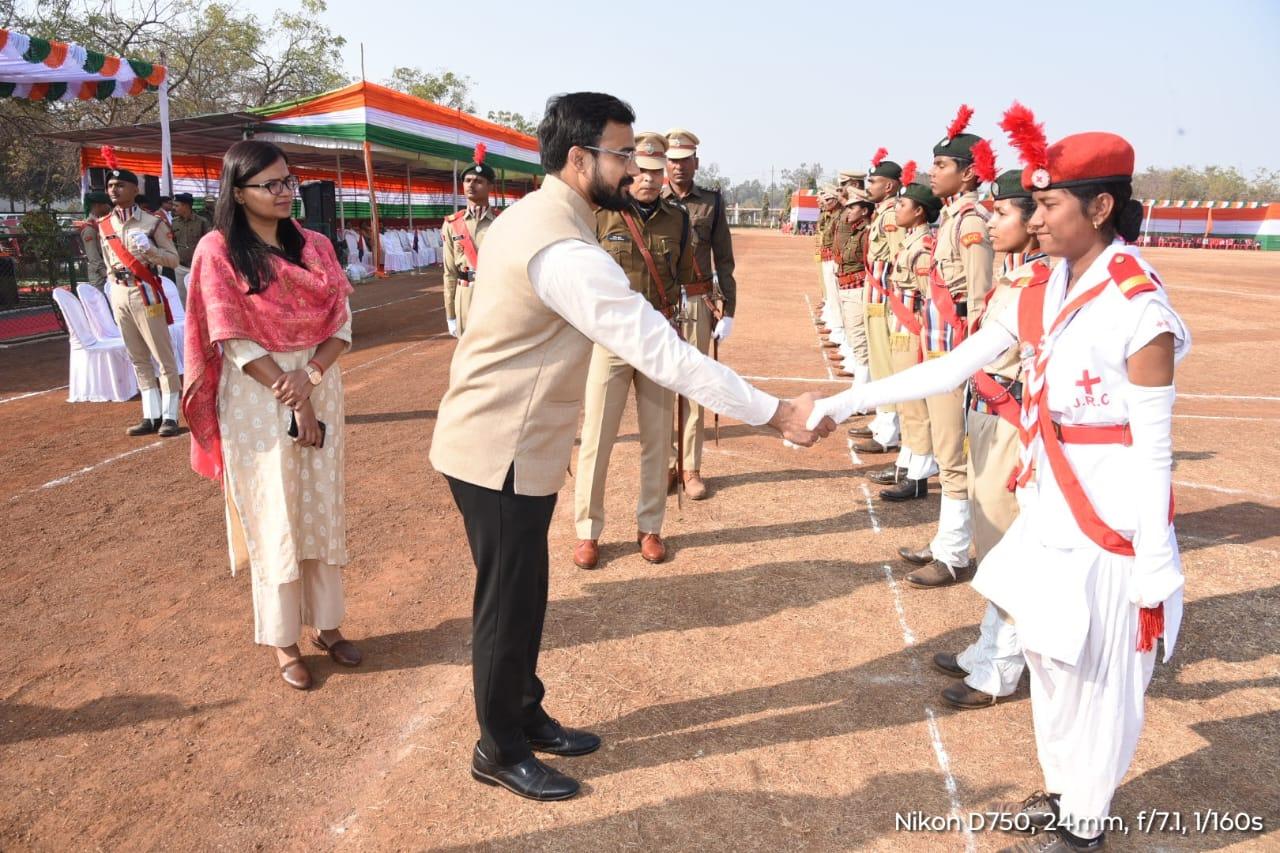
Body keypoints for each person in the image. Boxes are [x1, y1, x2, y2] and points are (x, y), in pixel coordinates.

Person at [429, 92, 833, 802]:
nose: (634, 165)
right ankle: (498, 745)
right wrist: (774, 414)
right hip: (497, 448)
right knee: (507, 599)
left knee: (527, 591)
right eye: (622, 153)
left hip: (516, 442)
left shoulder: (550, 217)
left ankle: (524, 712)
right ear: (580, 158)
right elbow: (659, 350)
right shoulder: (560, 244)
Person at [809, 112, 1189, 853]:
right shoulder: (1040, 285)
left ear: (1100, 206)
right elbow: (953, 365)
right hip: (1047, 500)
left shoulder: (1138, 305)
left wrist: (1154, 558)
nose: (1034, 217)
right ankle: (1063, 791)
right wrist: (843, 400)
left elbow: (1155, 445)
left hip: (1110, 515)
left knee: (1103, 673)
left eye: (1049, 205)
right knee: (1047, 654)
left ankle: (1084, 822)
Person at [182, 139, 361, 692]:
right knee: (275, 509)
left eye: (289, 182)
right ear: (239, 193)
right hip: (258, 396)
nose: (286, 193)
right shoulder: (217, 251)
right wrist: (293, 396)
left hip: (317, 380)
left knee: (319, 502)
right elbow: (230, 336)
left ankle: (328, 625)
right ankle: (284, 641)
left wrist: (309, 381)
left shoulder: (316, 247)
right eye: (272, 185)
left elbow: (342, 323)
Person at [934, 161, 1049, 710]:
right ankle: (988, 647)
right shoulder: (1019, 270)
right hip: (988, 406)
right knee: (991, 537)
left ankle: (1000, 667)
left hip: (1010, 416)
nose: (992, 219)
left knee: (1007, 544)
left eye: (1004, 211)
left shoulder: (1044, 278)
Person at [573, 132, 692, 570]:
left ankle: (650, 526)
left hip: (657, 338)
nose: (648, 179)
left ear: (665, 176)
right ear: (629, 170)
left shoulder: (676, 220)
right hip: (611, 339)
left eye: (657, 172)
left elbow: (681, 278)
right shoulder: (603, 216)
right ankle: (587, 532)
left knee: (657, 441)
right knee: (598, 438)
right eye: (641, 170)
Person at [897, 105, 995, 587]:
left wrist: (971, 362)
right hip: (938, 351)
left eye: (942, 166)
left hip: (956, 355)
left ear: (968, 173)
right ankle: (944, 543)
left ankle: (955, 553)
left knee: (955, 460)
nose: (932, 173)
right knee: (945, 450)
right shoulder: (952, 219)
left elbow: (978, 297)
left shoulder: (972, 220)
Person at [661, 128, 738, 500]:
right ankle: (665, 464)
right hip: (659, 305)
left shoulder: (712, 202)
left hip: (696, 303)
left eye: (684, 160)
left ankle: (691, 467)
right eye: (672, 160)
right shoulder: (648, 198)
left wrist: (730, 310)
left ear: (696, 162)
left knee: (694, 383)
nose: (678, 167)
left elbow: (724, 259)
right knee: (659, 385)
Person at [98, 147, 183, 437]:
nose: (114, 189)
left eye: (120, 185)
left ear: (135, 189)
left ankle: (171, 415)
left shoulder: (152, 223)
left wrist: (151, 252)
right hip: (119, 293)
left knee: (162, 355)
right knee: (137, 356)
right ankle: (151, 414)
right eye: (110, 185)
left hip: (145, 291)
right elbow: (105, 261)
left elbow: (172, 259)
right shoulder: (104, 225)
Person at [877, 166, 940, 501]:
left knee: (916, 406)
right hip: (900, 329)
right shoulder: (911, 241)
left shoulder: (924, 245)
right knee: (905, 401)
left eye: (902, 205)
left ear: (918, 212)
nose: (896, 210)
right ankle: (907, 464)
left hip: (913, 333)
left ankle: (919, 475)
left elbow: (929, 297)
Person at [857, 149, 905, 463]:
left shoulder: (891, 216)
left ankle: (889, 432)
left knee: (886, 366)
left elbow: (901, 259)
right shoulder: (883, 213)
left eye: (873, 181)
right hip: (875, 300)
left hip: (885, 302)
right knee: (878, 364)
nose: (868, 186)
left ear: (889, 186)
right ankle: (881, 423)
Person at [442, 145, 498, 338]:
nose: (471, 185)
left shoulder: (503, 221)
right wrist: (450, 314)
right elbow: (449, 273)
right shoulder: (452, 224)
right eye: (467, 180)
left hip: (495, 295)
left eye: (478, 181)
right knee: (467, 355)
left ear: (491, 187)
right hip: (464, 296)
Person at [831, 187, 876, 381]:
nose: (847, 211)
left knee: (860, 342)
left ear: (864, 211)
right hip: (848, 289)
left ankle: (861, 395)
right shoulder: (856, 231)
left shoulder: (866, 234)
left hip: (857, 290)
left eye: (852, 208)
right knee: (855, 338)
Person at [170, 192, 211, 304]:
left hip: (199, 266)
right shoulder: (174, 223)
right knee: (183, 298)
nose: (173, 208)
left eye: (176, 205)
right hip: (180, 267)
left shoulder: (202, 222)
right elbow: (172, 242)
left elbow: (209, 243)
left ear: (186, 206)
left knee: (201, 297)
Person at [79, 190, 112, 289]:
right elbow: (93, 256)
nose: (109, 208)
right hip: (100, 277)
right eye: (107, 205)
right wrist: (106, 274)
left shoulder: (101, 223)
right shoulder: (89, 228)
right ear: (98, 205)